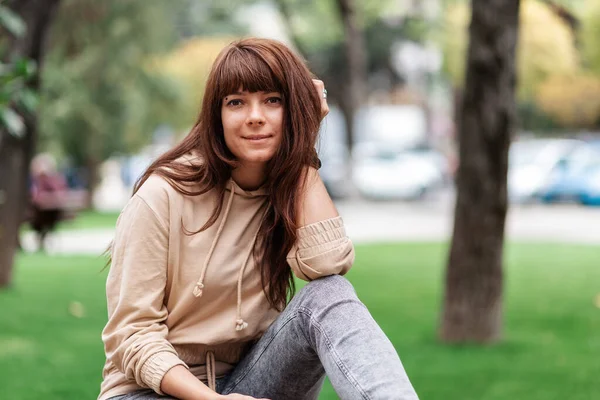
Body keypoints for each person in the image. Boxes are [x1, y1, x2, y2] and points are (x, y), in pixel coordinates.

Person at [99, 38, 419, 400]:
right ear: (216, 115)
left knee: (329, 294)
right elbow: (132, 335)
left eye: (273, 100)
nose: (255, 116)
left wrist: (303, 147)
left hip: (249, 381)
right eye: (236, 102)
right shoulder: (163, 195)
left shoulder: (289, 191)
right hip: (148, 392)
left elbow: (328, 265)